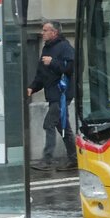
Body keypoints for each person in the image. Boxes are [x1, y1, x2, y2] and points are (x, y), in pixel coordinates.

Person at [27, 20, 76, 171]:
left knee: (49, 123)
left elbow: (71, 67)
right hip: (53, 94)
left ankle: (47, 160)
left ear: (54, 32)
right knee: (63, 127)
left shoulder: (65, 47)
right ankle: (74, 159)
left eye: (45, 30)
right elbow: (42, 74)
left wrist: (53, 62)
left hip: (62, 95)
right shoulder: (46, 49)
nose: (42, 33)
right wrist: (32, 88)